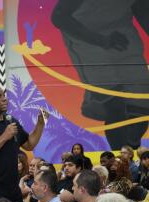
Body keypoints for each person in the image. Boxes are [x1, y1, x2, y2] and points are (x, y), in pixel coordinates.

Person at [52, 0, 149, 150]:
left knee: (142, 104)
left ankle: (129, 153)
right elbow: (59, 17)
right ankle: (119, 158)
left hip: (123, 37)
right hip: (87, 40)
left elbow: (142, 11)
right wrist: (101, 40)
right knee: (116, 105)